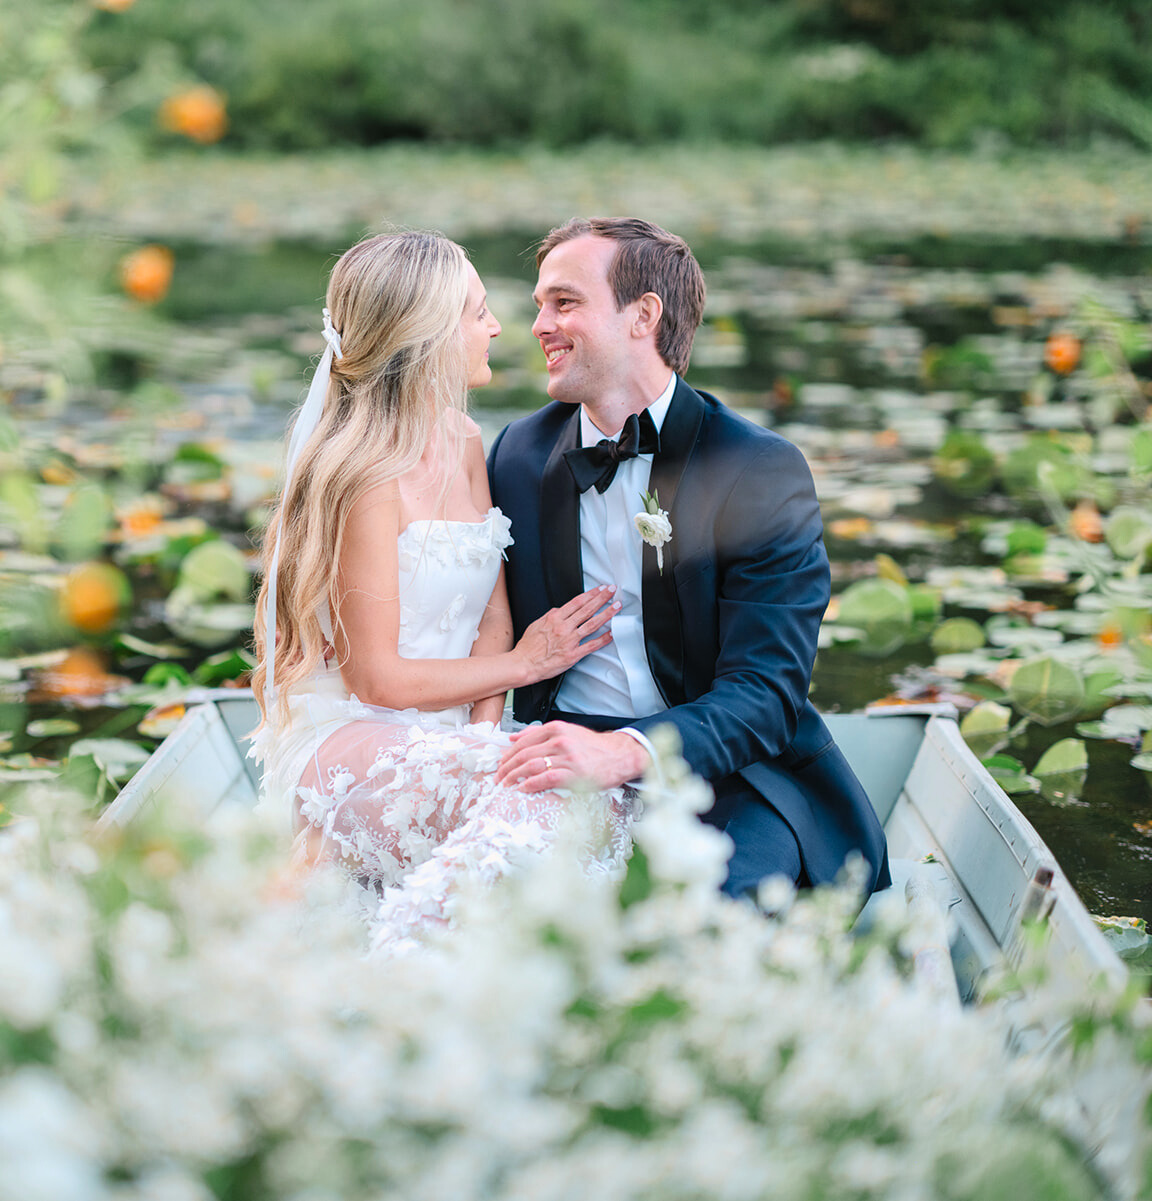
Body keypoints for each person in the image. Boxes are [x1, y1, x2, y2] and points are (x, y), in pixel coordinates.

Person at [486, 217, 889, 900]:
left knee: (714, 921)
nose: (539, 325)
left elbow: (765, 694)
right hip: (555, 759)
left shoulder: (758, 469)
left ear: (643, 315)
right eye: (539, 306)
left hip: (728, 773)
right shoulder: (516, 457)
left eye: (564, 302)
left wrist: (623, 752)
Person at [249, 230, 632, 946]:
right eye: (477, 312)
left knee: (576, 789)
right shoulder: (363, 476)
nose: (495, 327)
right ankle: (409, 946)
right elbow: (378, 676)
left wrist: (483, 733)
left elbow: (490, 614)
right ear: (428, 334)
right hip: (351, 736)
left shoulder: (463, 439)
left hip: (453, 735)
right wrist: (527, 664)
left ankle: (434, 928)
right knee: (546, 794)